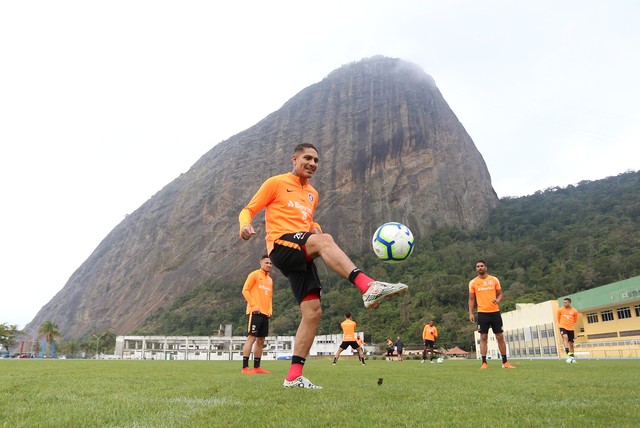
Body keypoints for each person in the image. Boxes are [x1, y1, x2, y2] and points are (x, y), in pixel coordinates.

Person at [239, 143, 408, 389]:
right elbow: (249, 209)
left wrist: (314, 229)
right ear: (294, 159)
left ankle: (294, 376)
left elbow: (306, 223)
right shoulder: (275, 183)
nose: (313, 164)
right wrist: (244, 226)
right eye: (307, 158)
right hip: (281, 245)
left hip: (301, 250)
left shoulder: (313, 194)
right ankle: (367, 286)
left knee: (313, 312)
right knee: (325, 241)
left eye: (316, 161)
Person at [468, 260, 516, 369]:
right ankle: (484, 363)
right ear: (476, 269)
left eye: (482, 266)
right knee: (483, 337)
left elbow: (500, 294)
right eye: (478, 266)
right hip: (482, 313)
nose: (480, 268)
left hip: (495, 312)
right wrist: (470, 313)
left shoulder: (494, 280)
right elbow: (471, 299)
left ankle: (505, 362)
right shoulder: (473, 282)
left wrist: (498, 300)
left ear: (486, 267)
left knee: (499, 336)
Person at [241, 254, 274, 375]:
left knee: (261, 340)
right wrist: (253, 305)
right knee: (252, 338)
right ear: (261, 263)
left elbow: (270, 296)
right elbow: (245, 290)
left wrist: (270, 310)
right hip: (254, 312)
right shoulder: (254, 274)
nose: (269, 265)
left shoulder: (270, 280)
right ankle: (245, 367)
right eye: (267, 263)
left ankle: (257, 367)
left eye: (271, 263)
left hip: (265, 313)